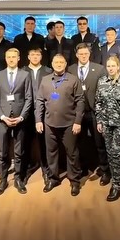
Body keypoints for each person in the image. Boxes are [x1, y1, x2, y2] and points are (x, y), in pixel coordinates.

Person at [35, 54, 85, 196]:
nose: (58, 64)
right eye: (56, 62)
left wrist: (78, 122)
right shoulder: (45, 80)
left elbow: (80, 101)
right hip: (49, 124)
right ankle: (53, 179)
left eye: (61, 62)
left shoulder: (73, 80)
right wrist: (38, 120)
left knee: (72, 153)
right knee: (51, 153)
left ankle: (74, 181)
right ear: (52, 64)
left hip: (69, 124)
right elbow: (39, 101)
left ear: (65, 64)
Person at [0, 48, 33, 195]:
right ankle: (3, 179)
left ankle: (18, 179)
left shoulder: (25, 75)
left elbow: (29, 98)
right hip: (4, 119)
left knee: (19, 152)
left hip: (19, 119)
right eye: (8, 57)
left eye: (14, 57)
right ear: (5, 58)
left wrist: (22, 117)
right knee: (2, 152)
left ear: (18, 58)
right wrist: (2, 116)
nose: (11, 59)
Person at [95, 56, 120, 202]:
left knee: (117, 153)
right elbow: (98, 103)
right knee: (110, 154)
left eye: (113, 66)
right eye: (108, 66)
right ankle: (115, 179)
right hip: (106, 124)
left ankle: (117, 186)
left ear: (118, 67)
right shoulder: (101, 82)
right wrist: (99, 121)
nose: (111, 68)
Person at [68, 43, 108, 184]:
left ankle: (104, 170)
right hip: (77, 113)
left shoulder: (99, 69)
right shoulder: (71, 69)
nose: (83, 56)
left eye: (86, 53)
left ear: (89, 54)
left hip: (95, 112)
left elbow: (104, 91)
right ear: (76, 55)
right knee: (81, 143)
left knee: (99, 142)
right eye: (81, 54)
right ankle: (83, 168)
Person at [21, 47, 53, 184]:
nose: (35, 57)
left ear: (41, 56)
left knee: (44, 143)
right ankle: (26, 170)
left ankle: (46, 170)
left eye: (37, 54)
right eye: (32, 54)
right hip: (26, 112)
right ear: (28, 57)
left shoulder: (48, 71)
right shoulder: (22, 71)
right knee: (25, 143)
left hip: (44, 112)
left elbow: (53, 92)